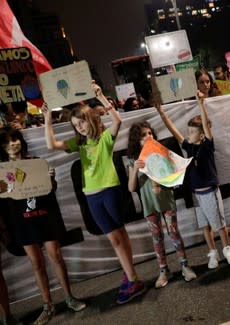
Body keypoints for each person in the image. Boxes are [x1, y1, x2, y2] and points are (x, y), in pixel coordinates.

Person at [41, 82, 145, 305]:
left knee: (118, 238)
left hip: (110, 192)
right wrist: (47, 118)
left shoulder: (105, 138)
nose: (79, 127)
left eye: (82, 122)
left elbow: (117, 121)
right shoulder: (77, 144)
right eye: (75, 125)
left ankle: (133, 278)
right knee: (116, 238)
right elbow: (51, 144)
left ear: (90, 119)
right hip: (92, 197)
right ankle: (131, 275)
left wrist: (101, 97)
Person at [0, 129, 86, 325]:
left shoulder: (36, 161)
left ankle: (69, 298)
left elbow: (50, 189)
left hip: (45, 216)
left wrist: (51, 178)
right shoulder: (2, 170)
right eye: (8, 141)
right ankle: (48, 305)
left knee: (56, 256)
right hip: (21, 222)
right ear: (3, 147)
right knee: (36, 264)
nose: (13, 144)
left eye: (16, 139)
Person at [156, 92, 230, 269]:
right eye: (189, 131)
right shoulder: (189, 147)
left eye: (193, 132)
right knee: (205, 225)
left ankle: (227, 249)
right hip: (197, 194)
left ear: (201, 135)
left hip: (210, 191)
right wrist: (162, 114)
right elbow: (175, 132)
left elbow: (207, 128)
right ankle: (213, 252)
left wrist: (201, 104)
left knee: (219, 223)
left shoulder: (207, 146)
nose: (189, 134)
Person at [126, 121, 197, 287]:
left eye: (150, 133)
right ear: (136, 139)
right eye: (143, 135)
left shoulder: (160, 153)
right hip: (149, 204)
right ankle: (164, 270)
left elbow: (173, 172)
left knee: (174, 232)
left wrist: (175, 177)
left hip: (166, 199)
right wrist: (136, 169)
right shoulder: (133, 161)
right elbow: (131, 187)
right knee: (157, 237)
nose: (148, 137)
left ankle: (185, 265)